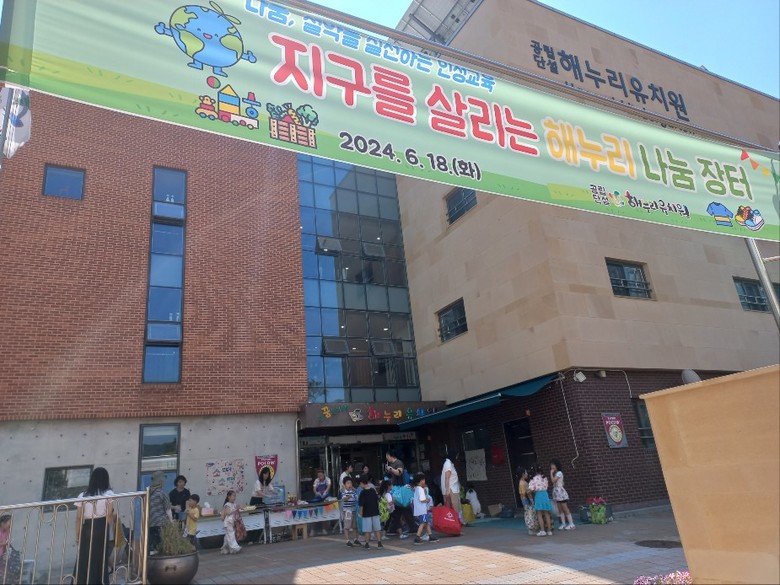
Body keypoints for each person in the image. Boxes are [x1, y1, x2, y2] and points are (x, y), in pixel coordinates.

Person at [75, 467, 114, 585]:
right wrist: (110, 529)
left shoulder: (82, 495)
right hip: (102, 526)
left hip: (87, 527)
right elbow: (109, 514)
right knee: (100, 557)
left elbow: (78, 517)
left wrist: (77, 534)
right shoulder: (108, 494)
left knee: (84, 557)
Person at [148, 471, 172, 553]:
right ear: (161, 481)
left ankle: (150, 555)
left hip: (149, 522)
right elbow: (168, 509)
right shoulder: (162, 493)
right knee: (161, 543)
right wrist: (171, 521)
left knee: (151, 542)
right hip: (161, 522)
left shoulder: (147, 493)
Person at [357, 476, 383, 550]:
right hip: (375, 512)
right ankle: (379, 543)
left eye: (360, 484)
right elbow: (377, 500)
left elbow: (361, 505)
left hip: (366, 513)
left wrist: (360, 513)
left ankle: (367, 544)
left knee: (367, 529)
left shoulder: (362, 493)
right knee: (377, 528)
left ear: (362, 483)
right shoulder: (373, 490)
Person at [412, 473, 438, 545]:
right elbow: (422, 500)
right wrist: (427, 500)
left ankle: (430, 536)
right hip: (422, 510)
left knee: (426, 523)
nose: (424, 481)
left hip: (420, 510)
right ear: (420, 481)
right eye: (423, 479)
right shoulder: (420, 489)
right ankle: (417, 537)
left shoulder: (416, 488)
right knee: (423, 523)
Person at [550, 459, 575, 530]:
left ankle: (571, 524)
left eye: (553, 465)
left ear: (556, 465)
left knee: (565, 508)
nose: (552, 467)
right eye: (551, 465)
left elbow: (553, 481)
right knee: (560, 509)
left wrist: (551, 473)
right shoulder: (556, 473)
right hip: (557, 493)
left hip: (560, 493)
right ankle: (563, 524)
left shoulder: (559, 473)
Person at [528, 467, 553, 537]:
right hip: (545, 494)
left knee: (539, 514)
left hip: (538, 495)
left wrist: (528, 492)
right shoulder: (544, 478)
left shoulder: (533, 479)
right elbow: (547, 486)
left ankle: (542, 530)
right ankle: (549, 531)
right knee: (546, 513)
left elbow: (531, 489)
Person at [441, 451, 463, 524]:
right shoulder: (448, 464)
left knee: (451, 508)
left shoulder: (449, 463)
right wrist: (447, 490)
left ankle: (454, 524)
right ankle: (456, 523)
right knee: (455, 507)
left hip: (451, 489)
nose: (457, 457)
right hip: (452, 489)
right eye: (456, 455)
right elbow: (447, 477)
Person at [517, 467, 540, 535]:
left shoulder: (523, 482)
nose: (527, 474)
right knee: (530, 514)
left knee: (531, 514)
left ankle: (533, 528)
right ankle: (532, 529)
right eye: (526, 472)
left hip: (528, 500)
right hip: (527, 500)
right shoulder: (522, 483)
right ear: (522, 474)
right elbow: (524, 493)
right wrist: (531, 490)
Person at [339, 476, 359, 547]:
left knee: (354, 526)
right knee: (347, 526)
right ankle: (347, 540)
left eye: (350, 483)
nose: (349, 485)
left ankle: (355, 539)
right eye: (347, 483)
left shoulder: (353, 492)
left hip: (354, 510)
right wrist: (349, 496)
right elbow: (344, 499)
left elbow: (358, 498)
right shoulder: (344, 492)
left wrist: (354, 491)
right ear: (344, 485)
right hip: (347, 511)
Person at [220, 491, 241, 555]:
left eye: (235, 496)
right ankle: (235, 548)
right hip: (228, 522)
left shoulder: (234, 504)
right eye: (233, 496)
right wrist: (236, 509)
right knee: (231, 535)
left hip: (232, 522)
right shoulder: (227, 504)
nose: (235, 497)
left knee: (228, 536)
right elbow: (228, 513)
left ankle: (225, 549)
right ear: (229, 497)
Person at [312, 469, 333, 535]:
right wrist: (316, 493)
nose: (320, 477)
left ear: (324, 474)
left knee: (324, 512)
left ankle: (324, 529)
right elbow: (314, 489)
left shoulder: (327, 479)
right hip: (318, 496)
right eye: (318, 476)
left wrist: (325, 492)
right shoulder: (316, 480)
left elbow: (328, 487)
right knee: (315, 512)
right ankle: (313, 530)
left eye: (321, 475)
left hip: (325, 496)